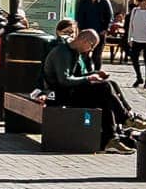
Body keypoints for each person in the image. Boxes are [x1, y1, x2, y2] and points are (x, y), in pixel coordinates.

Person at [41, 24, 140, 153]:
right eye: (92, 46)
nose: (91, 50)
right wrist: (89, 78)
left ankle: (113, 136)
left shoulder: (74, 52)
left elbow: (77, 76)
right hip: (60, 95)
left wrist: (93, 74)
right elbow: (64, 80)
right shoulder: (62, 52)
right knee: (104, 88)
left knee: (110, 86)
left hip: (70, 91)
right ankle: (126, 119)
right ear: (85, 41)